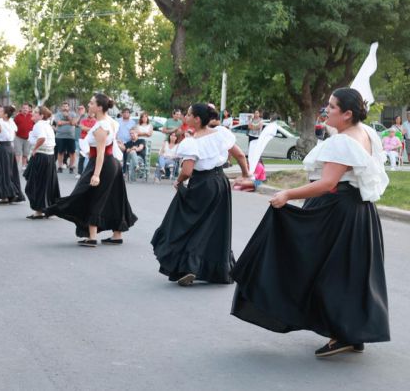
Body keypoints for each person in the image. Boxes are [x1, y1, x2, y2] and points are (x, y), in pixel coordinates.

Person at [231, 88, 390, 358]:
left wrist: (287, 194)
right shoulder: (365, 132)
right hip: (358, 211)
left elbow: (327, 183)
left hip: (336, 211)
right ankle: (349, 333)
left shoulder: (343, 142)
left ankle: (344, 333)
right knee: (347, 271)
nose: (326, 109)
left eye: (332, 106)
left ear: (347, 114)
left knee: (320, 269)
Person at [150, 103, 250, 286]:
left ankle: (190, 266)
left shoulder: (191, 142)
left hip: (202, 184)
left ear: (197, 119)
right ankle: (217, 268)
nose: (185, 117)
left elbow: (187, 171)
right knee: (215, 225)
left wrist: (179, 181)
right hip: (221, 183)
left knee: (184, 222)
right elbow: (240, 155)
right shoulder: (220, 133)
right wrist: (245, 175)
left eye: (188, 115)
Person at [45, 94, 137, 247]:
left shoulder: (101, 126)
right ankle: (117, 234)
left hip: (102, 163)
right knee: (114, 198)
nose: (89, 105)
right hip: (111, 162)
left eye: (92, 103)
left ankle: (92, 236)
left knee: (92, 195)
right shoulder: (110, 122)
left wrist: (96, 175)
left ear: (99, 107)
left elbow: (101, 153)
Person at [24, 106, 59, 219]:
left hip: (41, 156)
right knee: (45, 184)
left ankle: (40, 210)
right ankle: (45, 209)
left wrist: (34, 149)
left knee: (34, 184)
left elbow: (42, 138)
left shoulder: (39, 125)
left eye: (35, 112)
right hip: (49, 157)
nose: (32, 114)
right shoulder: (47, 125)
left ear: (41, 115)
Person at [0, 105, 25, 204]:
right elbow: (14, 134)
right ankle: (12, 194)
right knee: (11, 172)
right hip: (10, 148)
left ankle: (6, 196)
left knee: (2, 172)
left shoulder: (0, 123)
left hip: (2, 149)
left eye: (0, 111)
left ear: (5, 114)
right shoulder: (11, 122)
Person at [54, 102, 77, 173]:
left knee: (72, 152)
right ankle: (60, 167)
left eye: (66, 106)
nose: (65, 108)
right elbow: (59, 123)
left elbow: (73, 123)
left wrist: (67, 117)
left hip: (71, 136)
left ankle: (71, 167)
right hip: (60, 136)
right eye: (63, 106)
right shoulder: (57, 114)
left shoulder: (73, 114)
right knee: (60, 152)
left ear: (68, 107)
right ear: (61, 107)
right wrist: (68, 122)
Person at [76, 105, 97, 177]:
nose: (90, 114)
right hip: (83, 140)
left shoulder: (96, 121)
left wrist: (87, 128)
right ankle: (79, 172)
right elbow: (82, 128)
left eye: (92, 113)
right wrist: (91, 129)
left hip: (92, 141)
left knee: (91, 157)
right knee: (82, 156)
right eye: (89, 112)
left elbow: (96, 130)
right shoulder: (83, 120)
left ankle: (89, 172)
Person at [13, 103, 34, 168]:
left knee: (25, 153)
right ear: (21, 109)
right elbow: (13, 126)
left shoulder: (32, 116)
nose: (25, 109)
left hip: (28, 138)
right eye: (24, 108)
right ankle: (15, 167)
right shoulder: (17, 117)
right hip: (18, 137)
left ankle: (23, 166)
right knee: (17, 153)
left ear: (29, 109)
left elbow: (35, 126)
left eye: (26, 108)